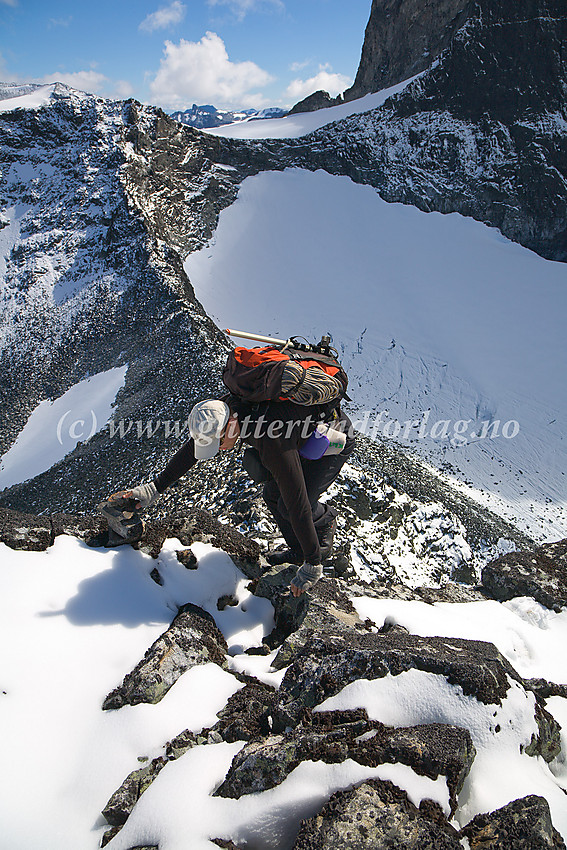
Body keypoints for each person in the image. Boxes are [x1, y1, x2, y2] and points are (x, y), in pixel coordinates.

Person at [124, 391, 355, 597]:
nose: (221, 447)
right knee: (272, 495)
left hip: (330, 441)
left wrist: (313, 564)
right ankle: (297, 551)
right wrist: (154, 488)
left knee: (288, 503)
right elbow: (192, 450)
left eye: (220, 440)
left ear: (231, 424)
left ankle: (324, 521)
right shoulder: (224, 408)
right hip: (299, 439)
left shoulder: (270, 437)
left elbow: (298, 503)